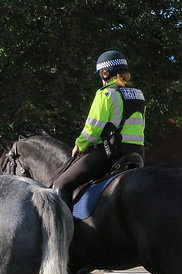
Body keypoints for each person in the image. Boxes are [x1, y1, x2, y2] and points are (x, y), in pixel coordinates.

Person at [53, 50, 146, 209]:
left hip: (112, 153)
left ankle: (63, 230)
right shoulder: (138, 94)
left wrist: (80, 146)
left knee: (61, 184)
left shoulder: (106, 94)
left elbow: (93, 128)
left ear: (105, 73)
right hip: (138, 153)